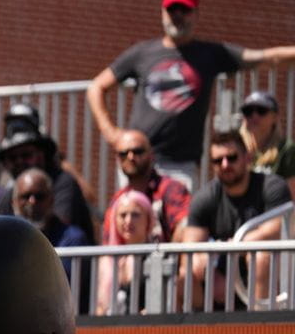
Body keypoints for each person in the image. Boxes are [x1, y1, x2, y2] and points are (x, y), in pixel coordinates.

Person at [87, 0, 295, 187]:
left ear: (196, 13)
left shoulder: (211, 54)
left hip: (180, 166)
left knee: (182, 211)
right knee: (132, 209)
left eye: (184, 9)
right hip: (137, 160)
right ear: (163, 12)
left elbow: (266, 58)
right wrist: (112, 134)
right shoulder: (142, 52)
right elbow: (96, 87)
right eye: (172, 9)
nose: (178, 15)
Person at [180, 131, 292, 308]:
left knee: (261, 257)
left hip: (268, 280)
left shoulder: (272, 186)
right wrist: (210, 272)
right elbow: (189, 248)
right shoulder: (204, 197)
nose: (225, 165)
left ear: (247, 157)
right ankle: (194, 324)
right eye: (218, 160)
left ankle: (260, 322)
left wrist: (232, 246)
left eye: (232, 157)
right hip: (219, 285)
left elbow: (276, 230)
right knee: (186, 271)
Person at [0, 104, 96, 241]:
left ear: (42, 155)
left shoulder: (64, 184)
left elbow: (51, 233)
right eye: (12, 158)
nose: (19, 162)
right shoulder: (9, 193)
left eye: (26, 155)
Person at [102, 129, 190, 244]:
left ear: (151, 155)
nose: (130, 157)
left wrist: (170, 253)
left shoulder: (170, 188)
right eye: (123, 154)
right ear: (117, 159)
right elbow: (108, 242)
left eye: (137, 151)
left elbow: (185, 227)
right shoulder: (118, 199)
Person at [12, 168, 91, 280]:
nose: (32, 201)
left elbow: (61, 282)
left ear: (52, 200)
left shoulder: (73, 239)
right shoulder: (6, 239)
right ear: (14, 202)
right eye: (25, 196)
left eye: (39, 196)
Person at [97, 191, 158, 315]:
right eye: (123, 215)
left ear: (148, 219)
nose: (128, 221)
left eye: (135, 215)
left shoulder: (157, 256)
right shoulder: (106, 260)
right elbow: (99, 308)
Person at [238, 90, 295, 196]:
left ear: (275, 117)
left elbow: (292, 196)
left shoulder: (286, 149)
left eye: (261, 111)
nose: (254, 116)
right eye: (248, 111)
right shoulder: (236, 149)